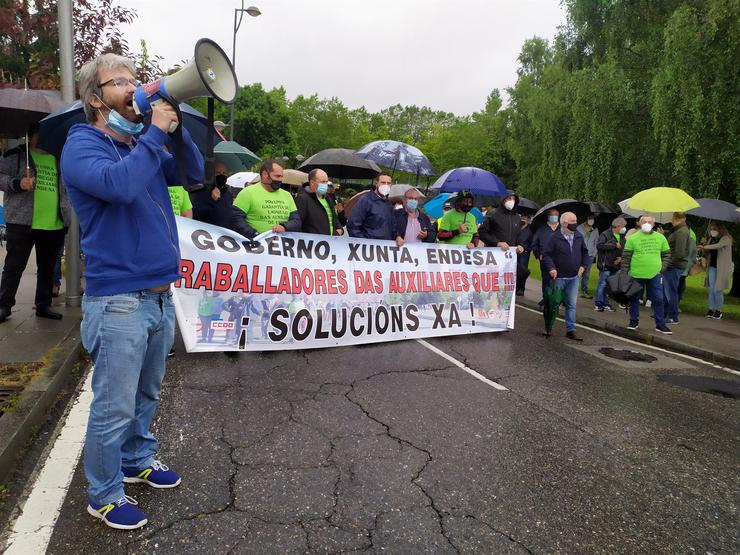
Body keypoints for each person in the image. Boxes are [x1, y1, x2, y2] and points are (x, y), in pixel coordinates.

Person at [60, 53, 204, 530]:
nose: (131, 85)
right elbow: (118, 188)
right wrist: (155, 134)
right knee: (113, 403)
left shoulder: (141, 144)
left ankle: (136, 458)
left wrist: (174, 129)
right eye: (117, 81)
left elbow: (192, 174)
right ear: (95, 98)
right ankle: (102, 494)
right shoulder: (82, 144)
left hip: (160, 294)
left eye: (133, 79)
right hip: (119, 298)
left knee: (145, 393)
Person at [0, 124, 71, 322]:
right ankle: (4, 306)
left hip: (54, 222)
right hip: (22, 222)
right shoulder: (15, 155)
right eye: (41, 134)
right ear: (30, 136)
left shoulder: (59, 157)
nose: (46, 138)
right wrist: (17, 183)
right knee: (14, 266)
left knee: (47, 268)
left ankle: (43, 304)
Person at [620, 215, 672, 334]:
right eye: (644, 221)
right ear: (639, 223)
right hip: (636, 274)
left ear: (654, 224)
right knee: (634, 298)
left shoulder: (661, 238)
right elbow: (626, 258)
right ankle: (634, 320)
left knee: (658, 299)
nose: (647, 223)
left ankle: (660, 324)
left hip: (655, 275)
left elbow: (666, 255)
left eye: (649, 222)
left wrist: (662, 268)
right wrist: (624, 273)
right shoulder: (633, 238)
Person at [542, 212, 588, 341]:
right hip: (559, 277)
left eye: (576, 221)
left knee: (571, 304)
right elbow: (546, 255)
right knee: (554, 303)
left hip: (574, 277)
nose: (575, 224)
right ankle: (549, 327)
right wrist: (551, 268)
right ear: (563, 223)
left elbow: (585, 252)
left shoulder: (578, 236)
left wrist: (583, 266)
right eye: (572, 221)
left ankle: (570, 330)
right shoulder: (554, 238)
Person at [230, 159, 301, 239]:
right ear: (265, 174)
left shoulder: (287, 195)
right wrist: (255, 235)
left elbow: (296, 221)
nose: (280, 180)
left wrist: (284, 226)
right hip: (255, 245)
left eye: (281, 176)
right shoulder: (247, 192)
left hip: (281, 245)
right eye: (277, 176)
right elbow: (235, 218)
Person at [698, 223, 733, 319]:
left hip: (722, 268)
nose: (712, 231)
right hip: (712, 267)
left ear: (720, 229)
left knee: (718, 289)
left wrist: (705, 247)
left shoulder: (726, 238)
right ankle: (710, 309)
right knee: (711, 289)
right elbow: (706, 252)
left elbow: (718, 246)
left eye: (714, 229)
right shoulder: (711, 239)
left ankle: (718, 310)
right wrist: (704, 244)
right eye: (711, 228)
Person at [295, 169, 343, 236]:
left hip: (330, 243)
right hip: (312, 244)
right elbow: (297, 223)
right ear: (312, 182)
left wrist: (339, 230)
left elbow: (334, 219)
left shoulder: (328, 198)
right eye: (323, 182)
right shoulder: (303, 199)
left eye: (326, 182)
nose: (325, 185)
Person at [347, 173, 394, 240]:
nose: (386, 185)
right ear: (376, 183)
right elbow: (353, 225)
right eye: (383, 182)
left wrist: (397, 236)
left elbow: (392, 226)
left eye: (388, 183)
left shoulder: (388, 203)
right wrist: (363, 243)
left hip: (385, 247)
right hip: (369, 247)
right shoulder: (365, 200)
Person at [662, 212, 691, 324]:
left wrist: (668, 264)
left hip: (674, 266)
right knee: (669, 291)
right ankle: (666, 314)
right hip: (673, 265)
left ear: (676, 218)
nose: (671, 220)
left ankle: (672, 316)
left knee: (671, 291)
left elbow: (679, 253)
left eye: (672, 218)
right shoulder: (680, 230)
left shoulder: (681, 232)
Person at [594, 217, 627, 312]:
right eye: (623, 226)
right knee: (602, 284)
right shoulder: (605, 234)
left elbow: (624, 249)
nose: (624, 228)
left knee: (609, 285)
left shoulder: (622, 236)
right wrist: (613, 245)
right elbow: (599, 246)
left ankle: (606, 303)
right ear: (617, 226)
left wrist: (621, 258)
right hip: (606, 264)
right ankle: (598, 303)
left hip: (615, 265)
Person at [190, 161, 233, 228]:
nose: (221, 175)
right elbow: (197, 213)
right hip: (207, 231)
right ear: (212, 174)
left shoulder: (228, 193)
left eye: (224, 173)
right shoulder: (202, 191)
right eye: (218, 173)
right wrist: (213, 201)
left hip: (224, 233)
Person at [531, 208, 560, 305]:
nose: (554, 217)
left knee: (558, 280)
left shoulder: (562, 229)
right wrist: (538, 255)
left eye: (556, 215)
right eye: (552, 215)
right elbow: (534, 243)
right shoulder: (541, 229)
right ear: (548, 217)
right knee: (546, 279)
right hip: (545, 259)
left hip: (560, 259)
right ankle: (546, 298)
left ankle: (557, 298)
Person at [576, 214, 598, 299]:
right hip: (580, 254)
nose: (591, 220)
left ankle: (584, 291)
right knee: (577, 272)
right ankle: (574, 289)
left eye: (592, 219)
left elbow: (596, 242)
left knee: (586, 274)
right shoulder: (579, 228)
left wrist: (594, 253)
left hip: (590, 255)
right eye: (590, 218)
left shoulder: (595, 230)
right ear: (586, 219)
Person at [677, 225, 697, 304]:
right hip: (686, 263)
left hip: (682, 262)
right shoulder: (691, 234)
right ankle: (678, 300)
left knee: (679, 282)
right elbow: (694, 252)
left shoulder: (688, 235)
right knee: (681, 281)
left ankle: (677, 301)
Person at [515, 214, 533, 296]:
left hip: (524, 253)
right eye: (522, 216)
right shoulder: (516, 226)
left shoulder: (530, 229)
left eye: (525, 216)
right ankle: (515, 287)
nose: (523, 218)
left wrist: (524, 248)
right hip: (514, 251)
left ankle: (521, 288)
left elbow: (532, 242)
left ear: (528, 218)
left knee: (523, 270)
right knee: (514, 270)